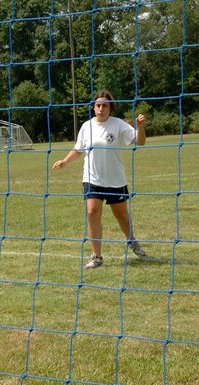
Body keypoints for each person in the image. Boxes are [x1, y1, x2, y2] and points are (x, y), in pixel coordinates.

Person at [52, 89, 147, 269]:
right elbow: (79, 149)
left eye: (105, 105)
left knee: (122, 216)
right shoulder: (86, 126)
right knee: (92, 212)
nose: (101, 108)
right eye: (98, 105)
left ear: (110, 108)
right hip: (92, 179)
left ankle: (132, 241)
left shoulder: (119, 125)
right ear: (94, 107)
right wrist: (65, 161)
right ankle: (96, 257)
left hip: (115, 180)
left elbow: (140, 142)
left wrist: (140, 128)